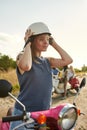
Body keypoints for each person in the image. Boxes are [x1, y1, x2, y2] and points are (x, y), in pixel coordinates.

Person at [10, 22, 73, 130]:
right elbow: (26, 65)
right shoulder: (21, 56)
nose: (46, 42)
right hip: (23, 114)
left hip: (43, 114)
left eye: (48, 39)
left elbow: (68, 60)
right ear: (32, 40)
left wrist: (53, 43)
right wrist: (27, 44)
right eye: (41, 39)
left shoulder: (47, 61)